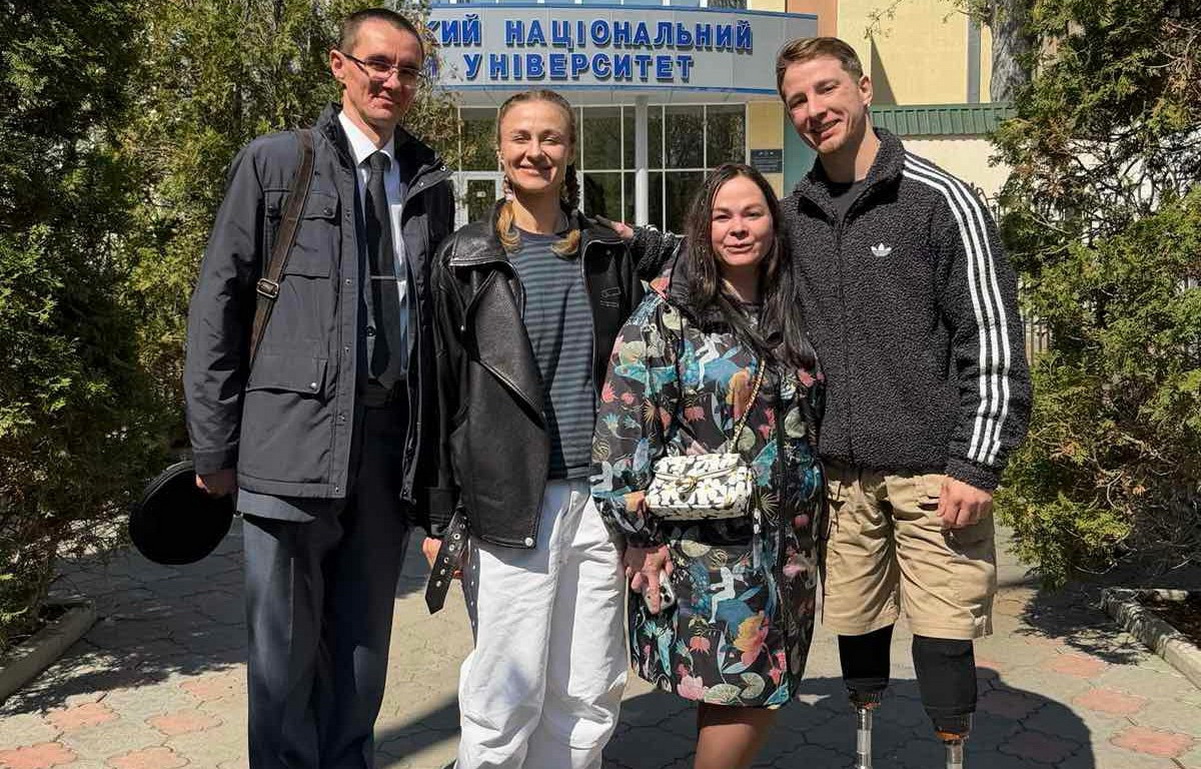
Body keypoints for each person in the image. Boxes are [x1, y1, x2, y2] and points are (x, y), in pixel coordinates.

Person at [183, 9, 453, 768]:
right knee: (283, 655)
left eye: (407, 69)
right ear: (340, 66)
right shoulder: (277, 163)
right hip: (289, 442)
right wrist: (213, 443)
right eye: (377, 64)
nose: (391, 81)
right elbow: (218, 302)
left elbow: (436, 321)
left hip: (388, 444)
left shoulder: (427, 179)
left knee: (363, 642)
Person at [775, 37, 1032, 767]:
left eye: (827, 89)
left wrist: (976, 463)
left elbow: (990, 337)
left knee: (943, 642)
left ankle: (952, 752)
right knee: (856, 631)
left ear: (863, 89)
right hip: (841, 481)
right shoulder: (793, 217)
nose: (814, 109)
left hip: (934, 478)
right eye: (797, 100)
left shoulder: (938, 200)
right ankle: (864, 750)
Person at [423, 89, 664, 769]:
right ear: (500, 151)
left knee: (590, 688)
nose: (536, 151)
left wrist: (637, 238)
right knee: (505, 690)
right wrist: (437, 517)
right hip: (507, 500)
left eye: (551, 138)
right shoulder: (464, 257)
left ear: (570, 149)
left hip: (601, 502)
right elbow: (439, 391)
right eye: (522, 138)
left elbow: (690, 276)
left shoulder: (606, 252)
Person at [592, 163, 825, 769]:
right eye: (722, 216)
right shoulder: (667, 316)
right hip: (710, 550)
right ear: (702, 228)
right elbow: (621, 434)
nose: (738, 228)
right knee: (749, 688)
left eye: (752, 213)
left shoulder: (793, 308)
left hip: (790, 545)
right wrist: (638, 537)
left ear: (774, 223)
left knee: (730, 693)